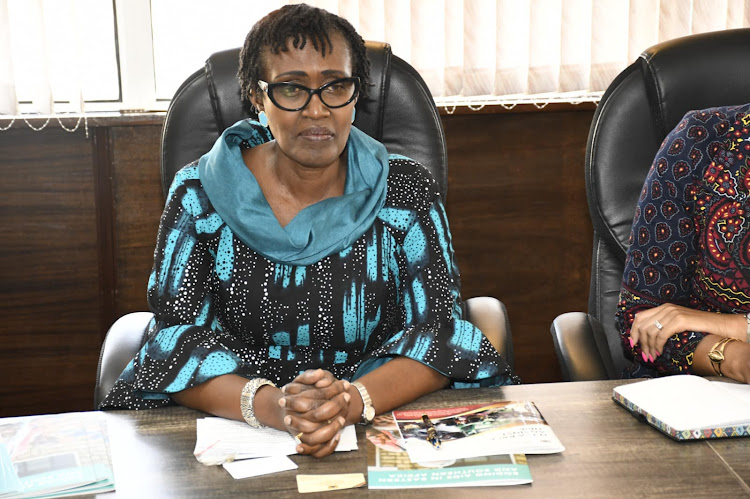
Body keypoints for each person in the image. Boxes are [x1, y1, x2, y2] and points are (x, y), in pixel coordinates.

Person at [99, 3, 518, 458]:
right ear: (257, 98)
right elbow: (175, 343)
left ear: (357, 95)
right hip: (239, 428)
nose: (317, 110)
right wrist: (277, 408)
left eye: (335, 86)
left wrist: (349, 402)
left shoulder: (404, 190)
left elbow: (440, 331)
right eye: (292, 89)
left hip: (380, 418)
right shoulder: (200, 194)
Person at [616, 103, 750, 384]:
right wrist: (735, 360)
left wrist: (734, 325)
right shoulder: (703, 141)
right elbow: (642, 320)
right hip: (698, 395)